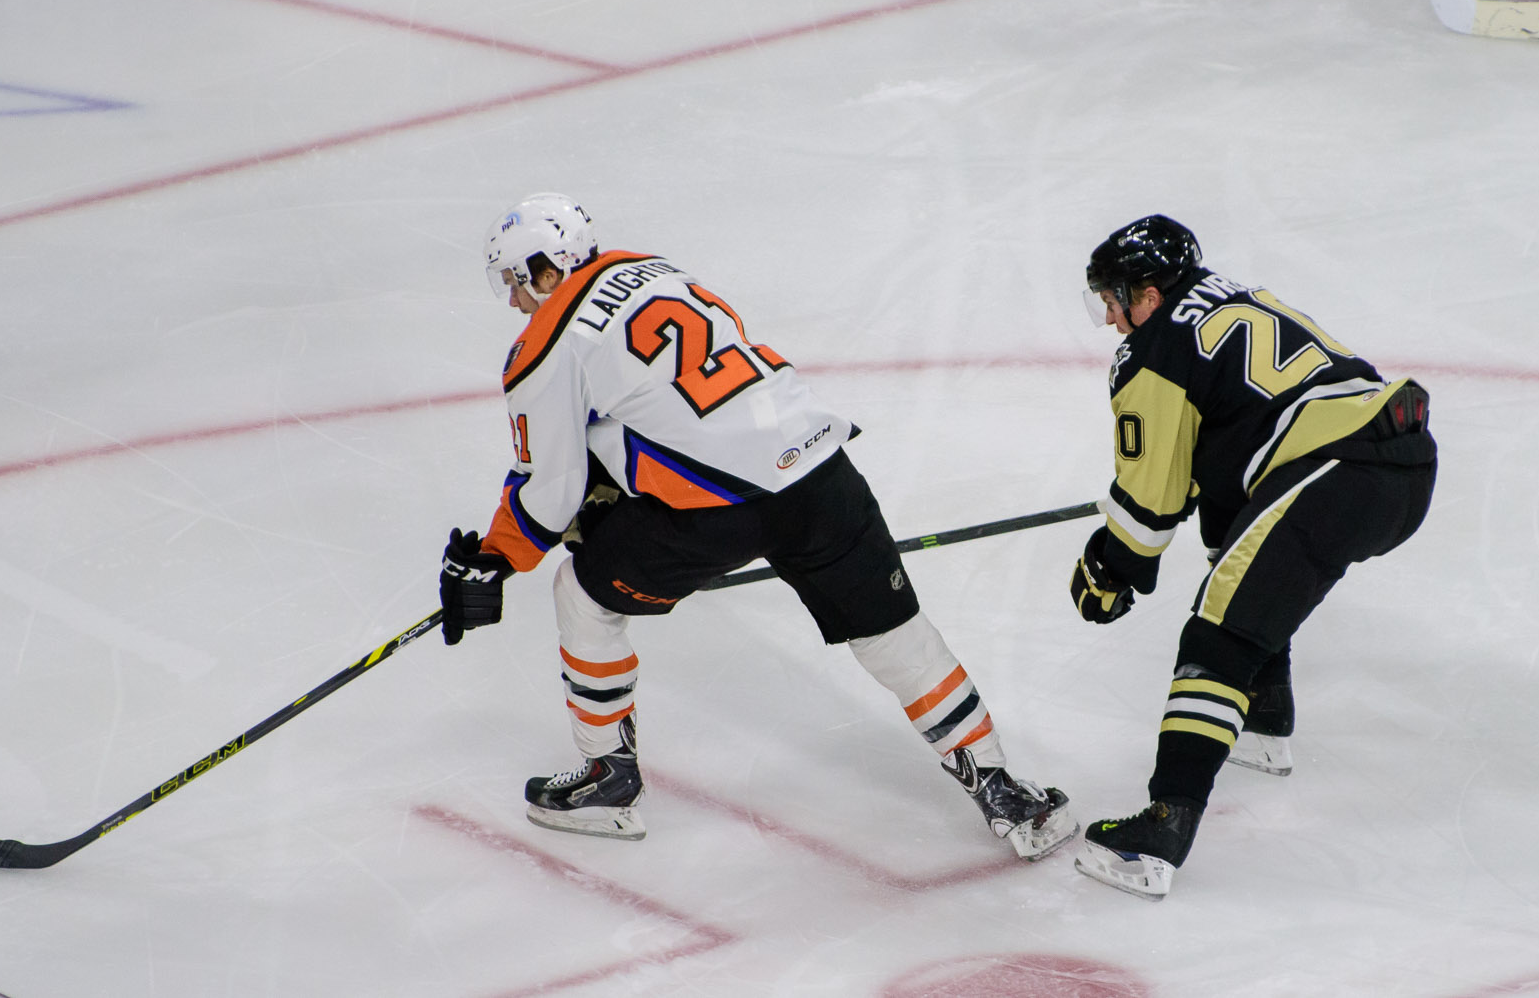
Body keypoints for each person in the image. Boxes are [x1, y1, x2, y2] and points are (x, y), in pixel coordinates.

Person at [437, 193, 1076, 860]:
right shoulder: (656, 270)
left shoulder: (544, 341)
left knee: (581, 594)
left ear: (546, 270)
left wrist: (493, 559)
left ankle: (607, 780)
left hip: (718, 511)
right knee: (896, 636)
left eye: (515, 282)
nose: (514, 302)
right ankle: (1006, 793)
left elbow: (549, 490)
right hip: (820, 472)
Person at [1067, 214, 1438, 899]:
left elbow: (1150, 505)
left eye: (1114, 301)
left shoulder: (1154, 350)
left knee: (1217, 635)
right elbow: (1222, 462)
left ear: (1148, 294)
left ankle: (1160, 834)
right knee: (1243, 562)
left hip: (1335, 471)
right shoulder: (1232, 297)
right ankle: (1263, 721)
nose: (1111, 320)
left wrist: (1111, 565)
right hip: (1402, 459)